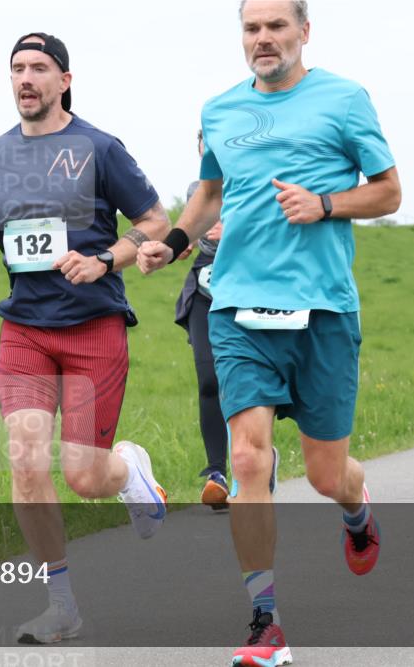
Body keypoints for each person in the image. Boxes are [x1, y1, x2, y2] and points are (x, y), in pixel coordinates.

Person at [137, 2, 401, 665]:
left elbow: (390, 191)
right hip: (237, 307)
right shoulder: (221, 108)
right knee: (249, 458)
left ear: (303, 32)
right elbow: (209, 194)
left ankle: (355, 503)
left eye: (276, 26)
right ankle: (264, 621)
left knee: (325, 472)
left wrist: (327, 204)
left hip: (322, 311)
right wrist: (171, 243)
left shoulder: (344, 99)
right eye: (251, 28)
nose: (263, 39)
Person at [0, 32, 171, 645]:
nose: (27, 79)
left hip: (93, 326)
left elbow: (155, 225)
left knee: (83, 476)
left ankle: (127, 467)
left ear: (64, 80)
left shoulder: (100, 148)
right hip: (24, 328)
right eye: (18, 69)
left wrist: (106, 259)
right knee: (25, 458)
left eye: (40, 69)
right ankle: (60, 605)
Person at [175, 130, 278, 510]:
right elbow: (188, 236)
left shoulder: (259, 186)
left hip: (252, 288)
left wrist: (231, 231)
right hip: (206, 289)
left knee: (248, 385)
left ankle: (254, 463)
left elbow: (272, 234)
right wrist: (179, 245)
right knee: (209, 380)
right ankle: (215, 472)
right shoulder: (195, 191)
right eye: (204, 148)